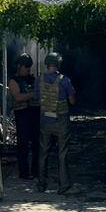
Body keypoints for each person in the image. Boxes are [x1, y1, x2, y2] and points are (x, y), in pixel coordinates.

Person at [36, 52, 76, 193]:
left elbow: (36, 98)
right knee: (62, 153)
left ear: (47, 64)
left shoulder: (39, 80)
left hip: (45, 121)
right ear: (58, 64)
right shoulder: (65, 80)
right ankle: (63, 185)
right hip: (61, 121)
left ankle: (41, 184)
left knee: (43, 153)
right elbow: (72, 101)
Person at [8, 54, 40, 179]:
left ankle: (36, 171)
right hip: (22, 115)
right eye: (26, 66)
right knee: (23, 144)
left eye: (29, 67)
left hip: (34, 113)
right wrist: (32, 94)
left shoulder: (32, 79)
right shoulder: (14, 81)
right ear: (19, 66)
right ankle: (24, 172)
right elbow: (18, 97)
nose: (28, 69)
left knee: (37, 144)